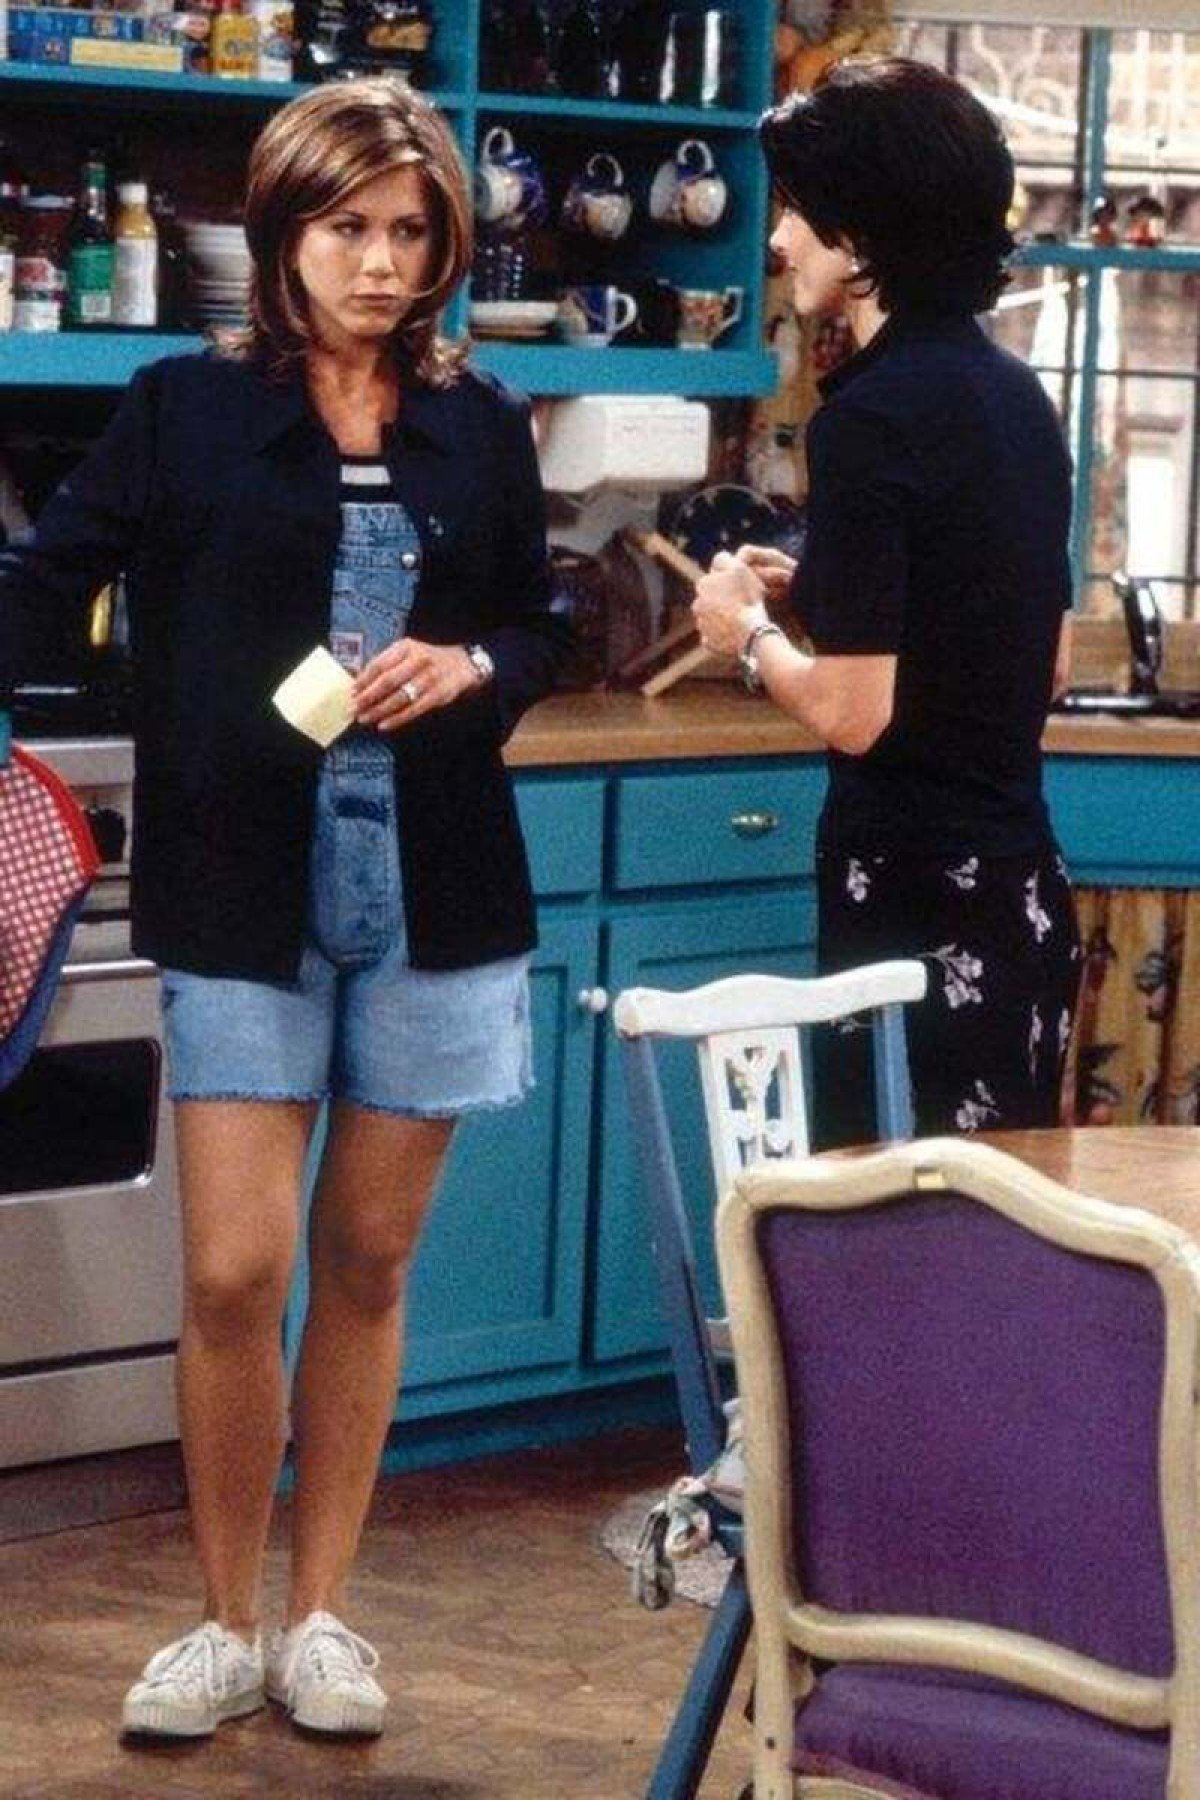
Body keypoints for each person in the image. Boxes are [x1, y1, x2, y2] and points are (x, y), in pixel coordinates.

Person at [0, 78, 568, 1740]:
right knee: (237, 1272)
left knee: (367, 1265)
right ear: (281, 236)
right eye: (346, 229)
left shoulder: (482, 422)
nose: (380, 264)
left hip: (436, 883)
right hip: (244, 880)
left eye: (409, 232)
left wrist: (475, 664)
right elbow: (43, 583)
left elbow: (538, 623)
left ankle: (322, 1620)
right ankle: (220, 1622)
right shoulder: (181, 408)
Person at [693, 57, 1080, 1147]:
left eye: (800, 212)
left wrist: (745, 632)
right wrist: (819, 585)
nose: (780, 240)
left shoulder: (866, 423)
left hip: (911, 918)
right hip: (1021, 902)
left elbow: (853, 714)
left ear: (864, 235)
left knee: (890, 1236)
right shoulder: (1019, 398)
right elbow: (1036, 659)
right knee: (996, 1231)